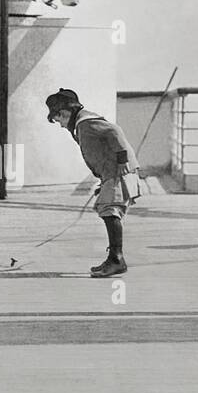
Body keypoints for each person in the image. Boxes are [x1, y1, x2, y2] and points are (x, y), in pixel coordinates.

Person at [45, 88, 140, 277]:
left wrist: (122, 160)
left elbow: (115, 131)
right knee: (107, 209)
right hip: (111, 173)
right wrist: (104, 180)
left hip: (119, 171)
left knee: (109, 210)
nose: (61, 125)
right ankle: (114, 257)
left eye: (59, 120)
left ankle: (116, 260)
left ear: (64, 113)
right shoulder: (83, 124)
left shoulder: (86, 123)